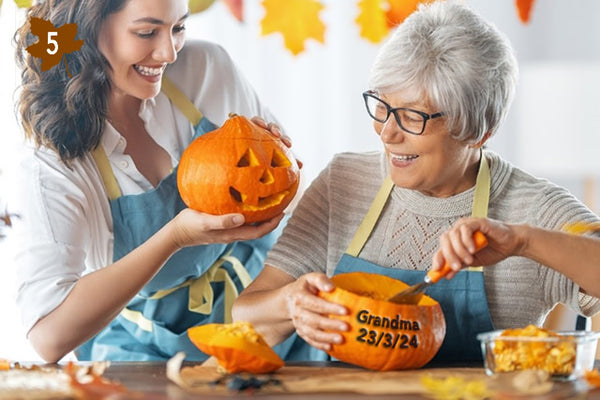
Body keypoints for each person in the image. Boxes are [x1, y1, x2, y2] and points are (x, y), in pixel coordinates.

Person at [232, 0, 600, 363]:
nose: (388, 133)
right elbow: (245, 317)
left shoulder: (534, 208)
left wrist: (522, 241)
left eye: (412, 117)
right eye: (382, 107)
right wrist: (289, 304)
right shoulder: (343, 182)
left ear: (478, 131)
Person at [13, 0, 294, 363]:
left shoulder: (207, 69)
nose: (168, 52)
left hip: (266, 318)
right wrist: (175, 237)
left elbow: (277, 187)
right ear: (84, 30)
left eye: (178, 28)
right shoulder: (52, 162)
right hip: (151, 353)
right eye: (147, 32)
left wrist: (274, 159)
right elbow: (48, 336)